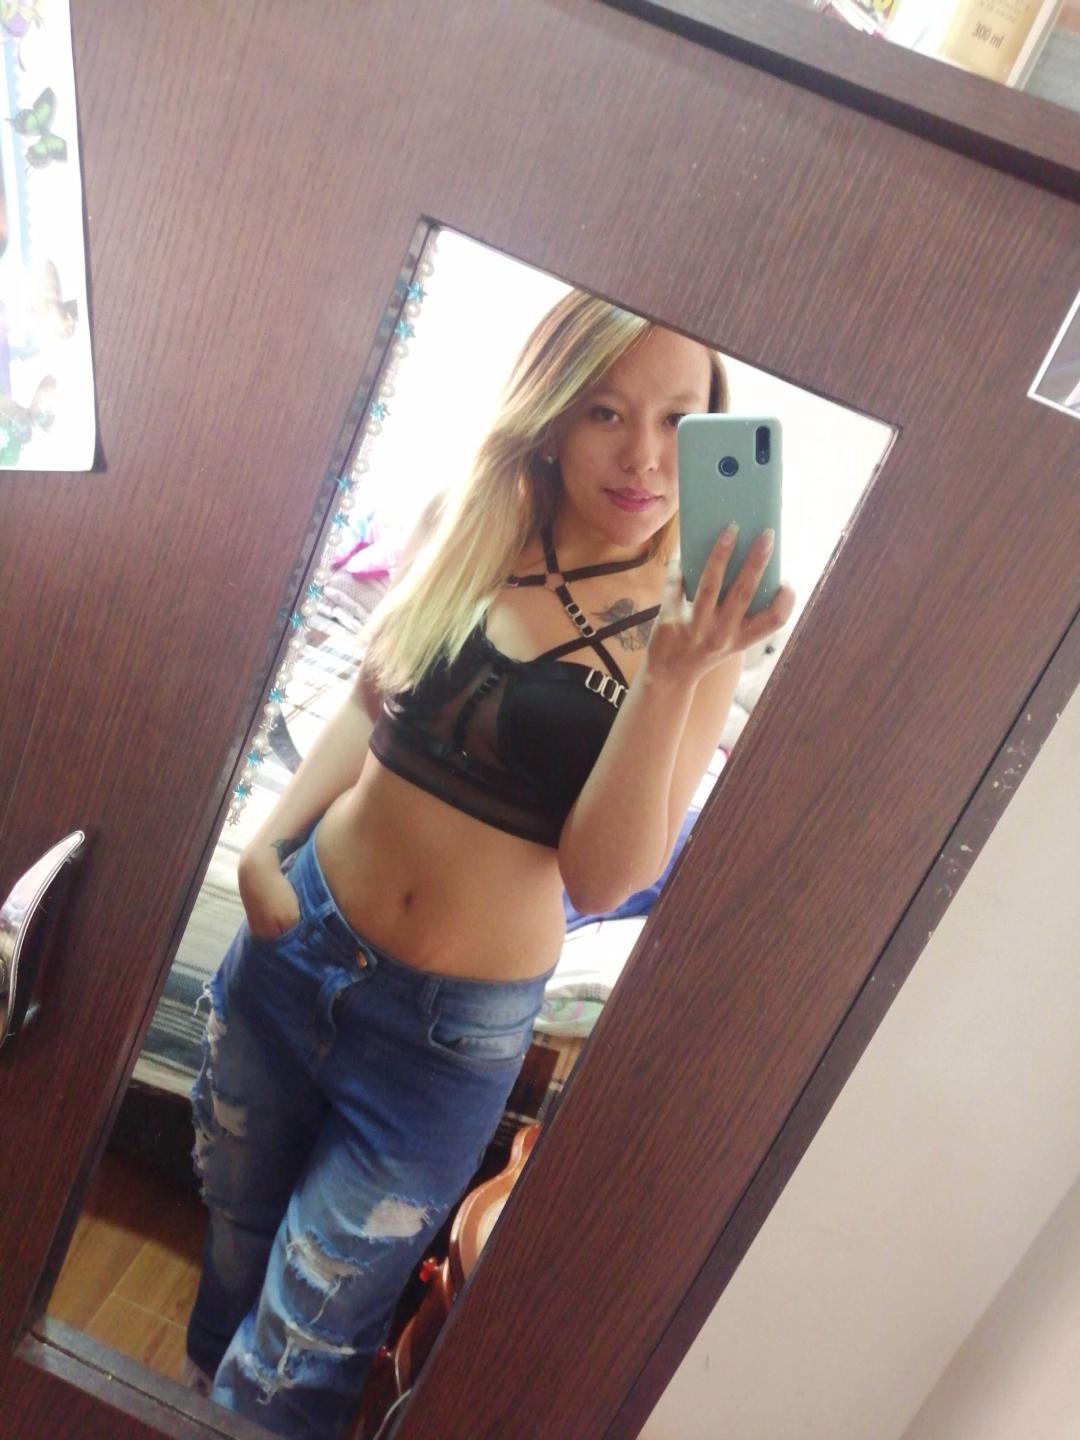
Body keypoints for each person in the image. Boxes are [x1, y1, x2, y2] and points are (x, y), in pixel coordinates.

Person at [184, 290, 796, 1438]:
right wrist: (267, 843)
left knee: (302, 1350)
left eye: (679, 419)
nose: (645, 456)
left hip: (442, 1042)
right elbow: (370, 700)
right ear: (552, 415)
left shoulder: (701, 633)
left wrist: (669, 675)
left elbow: (604, 879)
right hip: (295, 940)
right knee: (229, 1235)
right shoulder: (469, 523)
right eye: (607, 410)